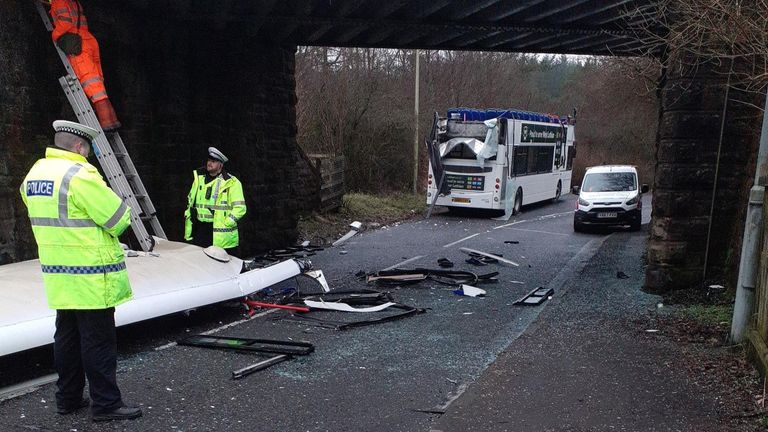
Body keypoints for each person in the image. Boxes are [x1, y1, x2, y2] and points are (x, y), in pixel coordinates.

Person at [19, 120, 142, 422]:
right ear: (79, 146)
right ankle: (106, 404)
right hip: (91, 276)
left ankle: (68, 398)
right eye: (88, 149)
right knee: (98, 341)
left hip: (59, 275)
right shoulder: (81, 175)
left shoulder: (34, 174)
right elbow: (118, 219)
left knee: (67, 338)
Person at [49, 0, 121, 131]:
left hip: (79, 46)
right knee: (98, 84)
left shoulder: (59, 1)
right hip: (88, 40)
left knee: (92, 85)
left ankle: (106, 123)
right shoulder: (75, 2)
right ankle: (112, 120)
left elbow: (65, 23)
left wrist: (54, 35)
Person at [184, 147, 247, 255]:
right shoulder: (199, 179)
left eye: (213, 161)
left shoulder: (231, 182)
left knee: (223, 265)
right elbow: (191, 201)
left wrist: (227, 222)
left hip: (219, 232)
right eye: (209, 160)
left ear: (220, 165)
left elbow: (240, 208)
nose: (209, 163)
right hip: (200, 229)